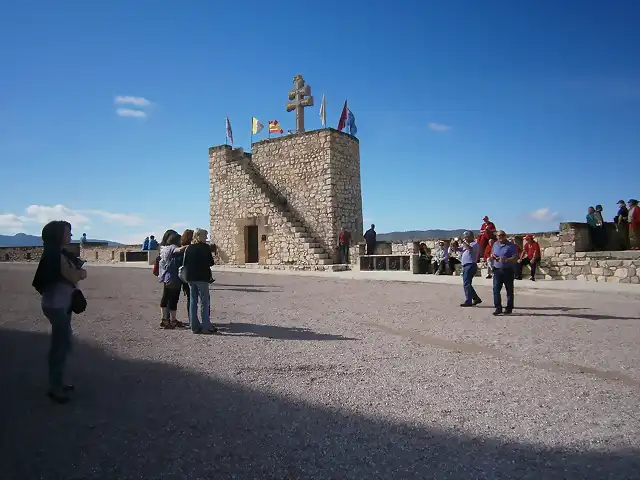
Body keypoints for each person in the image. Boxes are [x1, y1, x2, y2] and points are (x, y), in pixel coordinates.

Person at [32, 221, 87, 404]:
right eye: (67, 232)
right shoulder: (55, 255)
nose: (70, 235)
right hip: (56, 304)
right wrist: (80, 272)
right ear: (58, 234)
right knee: (60, 346)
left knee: (63, 344)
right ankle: (55, 388)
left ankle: (58, 382)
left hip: (61, 303)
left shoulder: (57, 254)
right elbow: (73, 275)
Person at [183, 228, 217, 334]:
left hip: (190, 278)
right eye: (205, 236)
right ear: (200, 236)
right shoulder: (205, 248)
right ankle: (206, 325)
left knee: (193, 301)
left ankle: (194, 326)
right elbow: (210, 263)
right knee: (204, 301)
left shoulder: (189, 248)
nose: (206, 238)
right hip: (202, 277)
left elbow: (185, 262)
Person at [158, 230, 187, 329]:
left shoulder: (164, 249)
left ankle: (165, 319)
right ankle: (171, 320)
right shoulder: (173, 248)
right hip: (173, 277)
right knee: (173, 299)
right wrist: (189, 246)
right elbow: (178, 250)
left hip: (167, 276)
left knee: (166, 298)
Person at [491, 230, 519, 315]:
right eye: (498, 235)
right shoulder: (495, 245)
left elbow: (516, 257)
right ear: (497, 237)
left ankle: (509, 308)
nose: (500, 237)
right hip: (497, 270)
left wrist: (506, 259)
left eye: (502, 235)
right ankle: (498, 308)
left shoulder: (511, 246)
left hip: (508, 270)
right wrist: (493, 257)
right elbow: (492, 253)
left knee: (509, 290)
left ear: (505, 236)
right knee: (496, 289)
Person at [456, 231, 482, 307]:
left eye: (467, 237)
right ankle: (476, 298)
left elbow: (469, 249)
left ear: (471, 237)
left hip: (470, 265)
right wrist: (453, 245)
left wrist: (463, 242)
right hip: (465, 265)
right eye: (464, 237)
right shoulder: (466, 244)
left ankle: (468, 301)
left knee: (467, 284)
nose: (465, 238)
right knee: (467, 284)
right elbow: (459, 249)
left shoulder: (475, 244)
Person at [180, 229, 194, 317]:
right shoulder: (190, 248)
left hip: (184, 276)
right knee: (192, 299)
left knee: (190, 298)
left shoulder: (180, 248)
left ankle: (191, 318)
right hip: (192, 275)